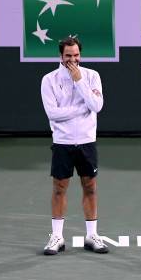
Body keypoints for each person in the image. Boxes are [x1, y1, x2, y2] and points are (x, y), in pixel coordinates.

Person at [40, 36, 108, 255]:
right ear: (61, 56)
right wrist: (81, 109)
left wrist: (79, 81)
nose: (72, 60)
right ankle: (57, 237)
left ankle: (92, 235)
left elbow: (96, 105)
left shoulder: (91, 76)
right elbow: (53, 114)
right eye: (68, 56)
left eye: (76, 55)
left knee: (90, 187)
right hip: (62, 143)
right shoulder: (48, 80)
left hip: (87, 142)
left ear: (80, 55)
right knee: (59, 188)